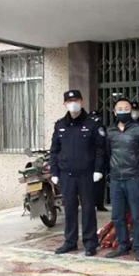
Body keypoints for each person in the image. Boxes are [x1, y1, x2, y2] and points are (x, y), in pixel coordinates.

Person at [49, 90, 106, 257]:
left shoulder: (92, 124)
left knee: (88, 209)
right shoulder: (60, 125)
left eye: (76, 100)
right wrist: (54, 171)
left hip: (86, 174)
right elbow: (54, 150)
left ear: (82, 101)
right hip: (67, 174)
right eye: (69, 101)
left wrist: (98, 169)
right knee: (69, 209)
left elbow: (100, 149)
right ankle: (70, 242)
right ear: (64, 104)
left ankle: (90, 243)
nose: (73, 104)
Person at [105, 98, 139, 261]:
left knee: (136, 215)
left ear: (131, 110)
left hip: (134, 178)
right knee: (117, 215)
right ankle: (123, 246)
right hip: (116, 179)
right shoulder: (110, 131)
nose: (123, 111)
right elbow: (107, 153)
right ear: (114, 112)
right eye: (119, 108)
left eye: (126, 108)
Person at [89, 109, 109, 212]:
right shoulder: (85, 128)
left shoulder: (101, 128)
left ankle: (99, 204)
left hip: (99, 159)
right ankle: (90, 204)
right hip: (88, 159)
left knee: (100, 184)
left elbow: (104, 144)